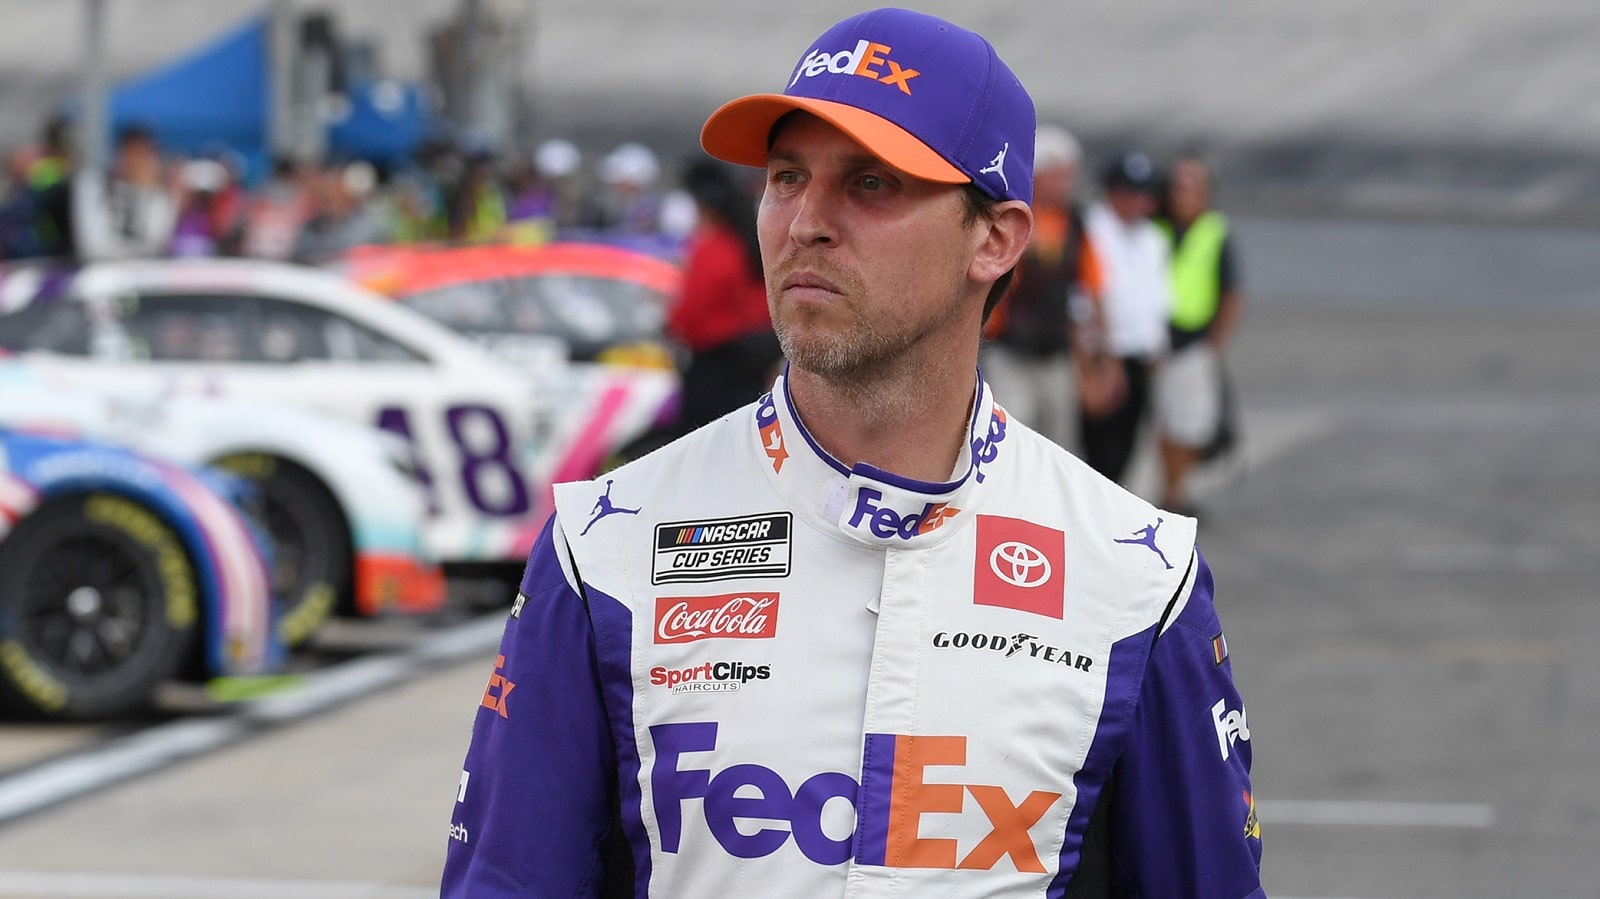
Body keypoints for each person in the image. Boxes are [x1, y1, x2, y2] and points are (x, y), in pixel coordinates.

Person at [442, 8, 1262, 898]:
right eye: (786, 177)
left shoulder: (1138, 576)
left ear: (994, 238)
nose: (805, 222)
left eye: (870, 183)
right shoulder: (603, 549)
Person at [980, 123, 1106, 452]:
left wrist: (1097, 359)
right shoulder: (1010, 217)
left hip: (1055, 352)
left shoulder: (1076, 225)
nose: (1068, 183)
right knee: (1011, 431)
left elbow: (1091, 294)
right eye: (1061, 174)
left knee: (1060, 441)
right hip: (1009, 350)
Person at [1154, 152, 1245, 516]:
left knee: (1190, 426)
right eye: (1177, 185)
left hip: (1192, 340)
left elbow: (1232, 294)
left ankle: (1174, 490)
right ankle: (1172, 492)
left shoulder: (1215, 232)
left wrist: (1214, 345)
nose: (1181, 193)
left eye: (1190, 186)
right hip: (1152, 339)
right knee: (1164, 421)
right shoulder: (1155, 226)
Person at [665, 157, 782, 434]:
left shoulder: (713, 249)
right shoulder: (746, 242)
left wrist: (671, 322)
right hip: (752, 362)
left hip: (715, 367)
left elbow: (689, 314)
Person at [1080, 150, 1172, 485]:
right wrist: (1099, 359)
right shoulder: (1090, 229)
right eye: (1132, 192)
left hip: (1141, 357)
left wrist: (1158, 346)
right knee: (1097, 445)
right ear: (1113, 192)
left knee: (1128, 444)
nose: (1141, 201)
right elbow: (1084, 298)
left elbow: (1157, 298)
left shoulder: (1154, 238)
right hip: (1102, 355)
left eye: (1146, 193)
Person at [72, 123, 178, 261]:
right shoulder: (93, 182)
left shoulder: (156, 190)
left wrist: (154, 194)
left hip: (143, 273)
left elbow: (158, 240)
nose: (137, 161)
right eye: (133, 152)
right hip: (100, 274)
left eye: (144, 154)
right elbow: (92, 244)